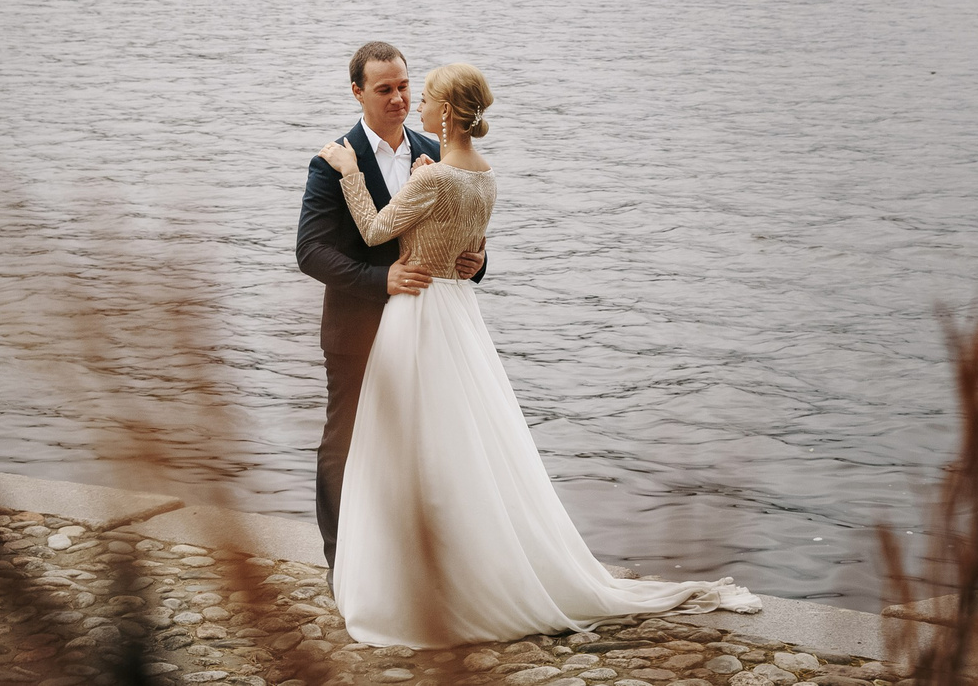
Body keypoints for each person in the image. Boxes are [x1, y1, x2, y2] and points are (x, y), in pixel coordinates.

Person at [316, 56, 759, 647]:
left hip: (416, 316)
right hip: (455, 320)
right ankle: (439, 571)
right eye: (392, 89)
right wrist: (457, 250)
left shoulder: (428, 172)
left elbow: (379, 231)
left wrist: (351, 172)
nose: (410, 101)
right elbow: (455, 242)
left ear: (444, 113)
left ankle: (410, 586)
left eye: (417, 93)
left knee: (409, 450)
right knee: (459, 446)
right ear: (361, 91)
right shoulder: (483, 174)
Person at [295, 41, 485, 571]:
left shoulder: (437, 151)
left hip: (428, 330)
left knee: (429, 446)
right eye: (385, 90)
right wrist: (383, 279)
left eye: (405, 86)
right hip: (358, 329)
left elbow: (458, 230)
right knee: (346, 445)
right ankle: (343, 565)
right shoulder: (334, 161)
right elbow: (310, 252)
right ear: (357, 92)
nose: (399, 98)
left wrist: (477, 260)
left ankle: (412, 566)